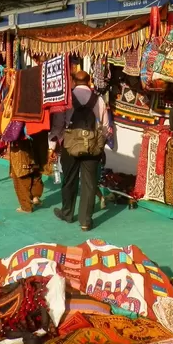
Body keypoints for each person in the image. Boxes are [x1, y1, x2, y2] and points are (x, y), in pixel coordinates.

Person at [52, 70, 111, 232]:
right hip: (92, 146)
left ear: (73, 81)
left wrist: (55, 142)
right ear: (89, 80)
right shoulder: (98, 99)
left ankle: (67, 213)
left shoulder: (67, 99)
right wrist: (101, 143)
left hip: (70, 145)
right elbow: (105, 127)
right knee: (89, 183)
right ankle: (86, 221)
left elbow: (58, 124)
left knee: (69, 179)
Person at [9, 133, 49, 214]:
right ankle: (35, 197)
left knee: (21, 174)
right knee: (36, 168)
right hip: (39, 137)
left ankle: (26, 206)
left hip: (21, 139)